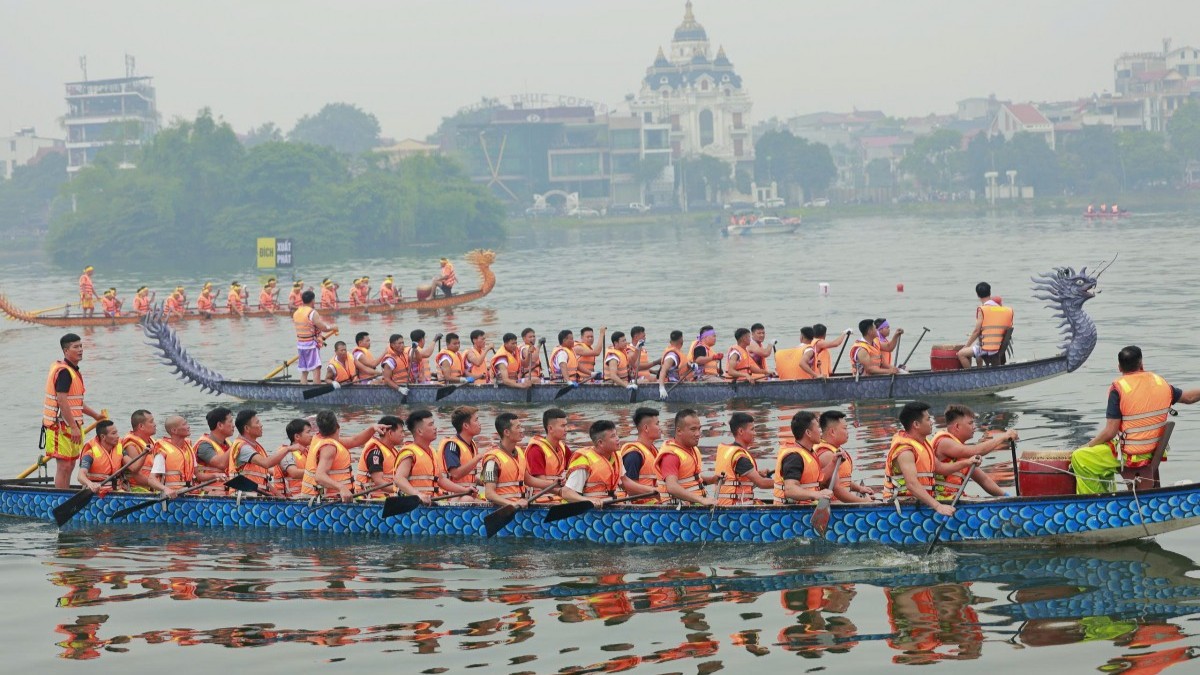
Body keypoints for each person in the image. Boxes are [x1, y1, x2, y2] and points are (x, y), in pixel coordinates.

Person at [1071, 346, 1200, 494]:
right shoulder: (1160, 383)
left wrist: (1087, 445)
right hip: (1154, 450)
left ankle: (1094, 504)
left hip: (1132, 455)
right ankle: (1109, 495)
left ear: (1119, 367)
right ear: (1141, 364)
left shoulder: (1118, 389)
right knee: (1101, 452)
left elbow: (1110, 432)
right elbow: (1189, 398)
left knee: (1081, 457)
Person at [883, 402, 979, 517]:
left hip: (920, 504)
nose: (932, 422)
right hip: (901, 510)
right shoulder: (905, 451)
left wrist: (967, 462)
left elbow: (940, 468)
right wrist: (938, 506)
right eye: (928, 419)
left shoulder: (924, 443)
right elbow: (912, 485)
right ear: (916, 424)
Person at [42, 333, 104, 488]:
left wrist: (96, 415)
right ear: (65, 351)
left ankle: (65, 493)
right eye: (76, 347)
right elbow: (62, 402)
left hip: (71, 425)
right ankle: (60, 499)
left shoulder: (74, 371)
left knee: (70, 465)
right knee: (63, 466)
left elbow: (76, 403)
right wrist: (74, 427)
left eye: (81, 346)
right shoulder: (64, 372)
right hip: (60, 426)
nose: (80, 349)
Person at [930, 404, 1016, 499]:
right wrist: (1003, 437)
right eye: (970, 423)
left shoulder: (961, 451)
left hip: (953, 501)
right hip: (939, 503)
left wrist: (1008, 497)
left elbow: (984, 480)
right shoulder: (944, 442)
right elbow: (976, 450)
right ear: (957, 426)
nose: (974, 427)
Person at [562, 420, 655, 506]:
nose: (617, 439)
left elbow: (625, 482)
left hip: (608, 505)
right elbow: (566, 492)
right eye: (612, 436)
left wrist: (653, 491)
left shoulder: (616, 457)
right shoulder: (584, 461)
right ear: (600, 443)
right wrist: (588, 501)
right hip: (589, 510)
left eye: (616, 435)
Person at [300, 410, 385, 502]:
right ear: (338, 426)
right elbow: (319, 476)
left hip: (312, 498)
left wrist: (372, 428)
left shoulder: (320, 438)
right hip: (323, 502)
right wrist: (342, 488)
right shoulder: (329, 447)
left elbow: (355, 440)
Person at [396, 409, 475, 502]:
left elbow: (441, 480)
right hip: (416, 503)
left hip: (431, 501)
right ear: (419, 431)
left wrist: (465, 490)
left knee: (465, 498)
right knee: (466, 500)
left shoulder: (432, 451)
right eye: (430, 425)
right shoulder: (409, 452)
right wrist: (418, 494)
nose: (435, 428)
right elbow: (399, 479)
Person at [654, 409, 719, 505]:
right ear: (679, 431)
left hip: (695, 507)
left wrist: (712, 480)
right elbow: (672, 487)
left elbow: (692, 480)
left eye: (699, 429)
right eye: (693, 429)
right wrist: (702, 500)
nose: (698, 434)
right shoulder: (671, 456)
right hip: (677, 512)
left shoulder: (693, 449)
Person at [226, 409, 293, 494]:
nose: (261, 425)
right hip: (242, 499)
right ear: (247, 428)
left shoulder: (256, 447)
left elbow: (263, 479)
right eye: (257, 423)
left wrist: (279, 496)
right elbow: (267, 463)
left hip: (256, 497)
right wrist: (288, 449)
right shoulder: (243, 447)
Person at [714, 412, 775, 505]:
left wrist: (758, 474)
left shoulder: (731, 451)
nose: (755, 433)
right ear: (741, 431)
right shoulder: (740, 458)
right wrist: (786, 484)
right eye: (752, 429)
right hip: (735, 510)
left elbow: (738, 477)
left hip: (725, 505)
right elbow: (762, 483)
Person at [774, 412, 835, 504]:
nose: (820, 431)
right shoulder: (794, 457)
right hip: (789, 514)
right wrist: (817, 494)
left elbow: (817, 481)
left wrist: (834, 462)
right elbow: (790, 490)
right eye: (818, 428)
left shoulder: (809, 452)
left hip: (808, 506)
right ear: (808, 433)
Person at [813, 410, 874, 503]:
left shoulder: (834, 449)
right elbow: (837, 490)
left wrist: (859, 488)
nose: (847, 432)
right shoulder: (828, 455)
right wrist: (863, 502)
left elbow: (843, 480)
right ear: (832, 432)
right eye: (845, 428)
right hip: (835, 506)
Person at [478, 412, 531, 509]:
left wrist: (556, 487)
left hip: (520, 506)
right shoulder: (492, 460)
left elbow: (529, 480)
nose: (521, 430)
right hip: (503, 509)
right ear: (506, 432)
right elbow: (489, 494)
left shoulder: (519, 452)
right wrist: (512, 504)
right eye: (518, 427)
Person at [957, 282, 1014, 368]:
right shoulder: (1005, 310)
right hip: (998, 346)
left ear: (977, 295)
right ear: (990, 293)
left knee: (961, 354)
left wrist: (966, 346)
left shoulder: (982, 310)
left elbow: (976, 332)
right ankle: (980, 371)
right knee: (977, 349)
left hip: (988, 348)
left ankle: (972, 377)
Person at [526, 408, 572, 501]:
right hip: (541, 500)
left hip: (560, 497)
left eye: (566, 425)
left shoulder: (563, 448)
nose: (567, 429)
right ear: (550, 428)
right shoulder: (536, 450)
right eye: (563, 426)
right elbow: (541, 484)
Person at [293, 289, 336, 385]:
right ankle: (317, 390)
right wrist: (333, 327)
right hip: (310, 345)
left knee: (304, 371)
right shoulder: (312, 312)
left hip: (300, 345)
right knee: (316, 368)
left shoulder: (296, 312)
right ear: (312, 300)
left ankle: (303, 389)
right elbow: (323, 327)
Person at [619, 407, 661, 501]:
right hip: (641, 509)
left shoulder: (654, 451)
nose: (660, 428)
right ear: (646, 428)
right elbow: (631, 491)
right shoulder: (634, 455)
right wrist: (660, 493)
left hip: (657, 504)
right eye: (657, 424)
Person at [147, 415, 196, 497]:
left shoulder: (188, 448)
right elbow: (151, 479)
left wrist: (215, 476)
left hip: (188, 493)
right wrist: (165, 489)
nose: (188, 426)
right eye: (184, 424)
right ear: (174, 430)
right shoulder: (163, 451)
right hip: (172, 497)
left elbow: (198, 474)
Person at [436, 406, 484, 487]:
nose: (479, 423)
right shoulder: (452, 445)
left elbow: (467, 477)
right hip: (453, 496)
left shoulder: (472, 444)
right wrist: (478, 457)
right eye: (476, 420)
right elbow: (455, 474)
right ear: (466, 425)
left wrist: (487, 482)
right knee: (468, 499)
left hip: (468, 494)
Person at [356, 415, 404, 494]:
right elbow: (379, 482)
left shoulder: (394, 451)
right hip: (372, 499)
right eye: (401, 432)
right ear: (390, 433)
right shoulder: (375, 452)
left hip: (389, 497)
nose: (403, 435)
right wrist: (402, 490)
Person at [74, 421, 127, 492]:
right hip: (98, 492)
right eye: (113, 433)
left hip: (117, 490)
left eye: (117, 432)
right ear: (103, 437)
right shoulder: (90, 453)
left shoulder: (119, 448)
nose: (117, 436)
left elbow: (133, 467)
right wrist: (90, 484)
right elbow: (80, 476)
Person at [194, 406, 236, 485]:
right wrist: (238, 443)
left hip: (227, 491)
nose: (233, 425)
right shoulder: (204, 445)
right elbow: (221, 464)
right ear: (220, 425)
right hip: (208, 493)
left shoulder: (229, 443)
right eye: (230, 422)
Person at [120, 409, 159, 492]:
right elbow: (137, 476)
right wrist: (161, 486)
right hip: (138, 489)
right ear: (141, 426)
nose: (155, 424)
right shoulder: (131, 446)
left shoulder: (152, 442)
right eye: (151, 422)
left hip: (154, 487)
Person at [277, 418, 313, 498]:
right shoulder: (287, 453)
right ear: (297, 436)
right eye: (308, 432)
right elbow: (294, 473)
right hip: (294, 499)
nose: (311, 435)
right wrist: (318, 473)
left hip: (309, 496)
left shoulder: (307, 452)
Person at [656, 330, 693, 399]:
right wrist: (661, 388)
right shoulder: (672, 356)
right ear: (681, 341)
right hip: (673, 384)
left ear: (670, 341)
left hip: (682, 382)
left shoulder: (677, 352)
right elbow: (663, 370)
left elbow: (682, 366)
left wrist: (690, 365)